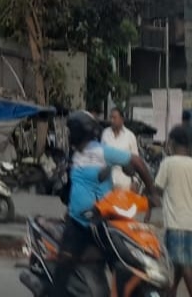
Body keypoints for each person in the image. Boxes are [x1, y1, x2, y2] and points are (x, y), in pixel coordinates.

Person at [48, 111, 157, 297]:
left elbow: (136, 161)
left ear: (78, 131)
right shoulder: (75, 155)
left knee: (123, 261)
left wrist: (151, 191)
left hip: (102, 222)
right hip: (77, 221)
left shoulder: (101, 150)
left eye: (71, 130)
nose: (69, 134)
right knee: (64, 265)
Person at [156, 125, 192, 296]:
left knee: (183, 264)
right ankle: (172, 291)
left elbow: (157, 189)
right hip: (190, 223)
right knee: (181, 262)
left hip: (176, 222)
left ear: (172, 142)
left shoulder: (168, 163)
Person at [101, 107, 139, 191]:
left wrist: (135, 181)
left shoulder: (130, 136)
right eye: (110, 117)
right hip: (107, 181)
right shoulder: (105, 134)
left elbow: (136, 161)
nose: (111, 120)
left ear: (122, 119)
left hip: (124, 181)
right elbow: (101, 156)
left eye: (114, 118)